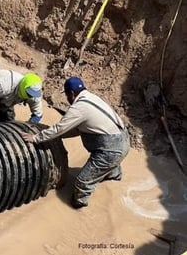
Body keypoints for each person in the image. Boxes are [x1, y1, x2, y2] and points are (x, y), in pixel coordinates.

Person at [21, 76, 130, 209]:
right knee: (106, 169)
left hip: (110, 150)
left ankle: (79, 205)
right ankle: (113, 176)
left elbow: (59, 128)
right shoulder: (92, 98)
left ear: (71, 94)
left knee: (82, 183)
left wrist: (36, 138)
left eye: (67, 95)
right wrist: (57, 137)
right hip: (123, 141)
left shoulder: (79, 108)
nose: (67, 99)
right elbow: (77, 130)